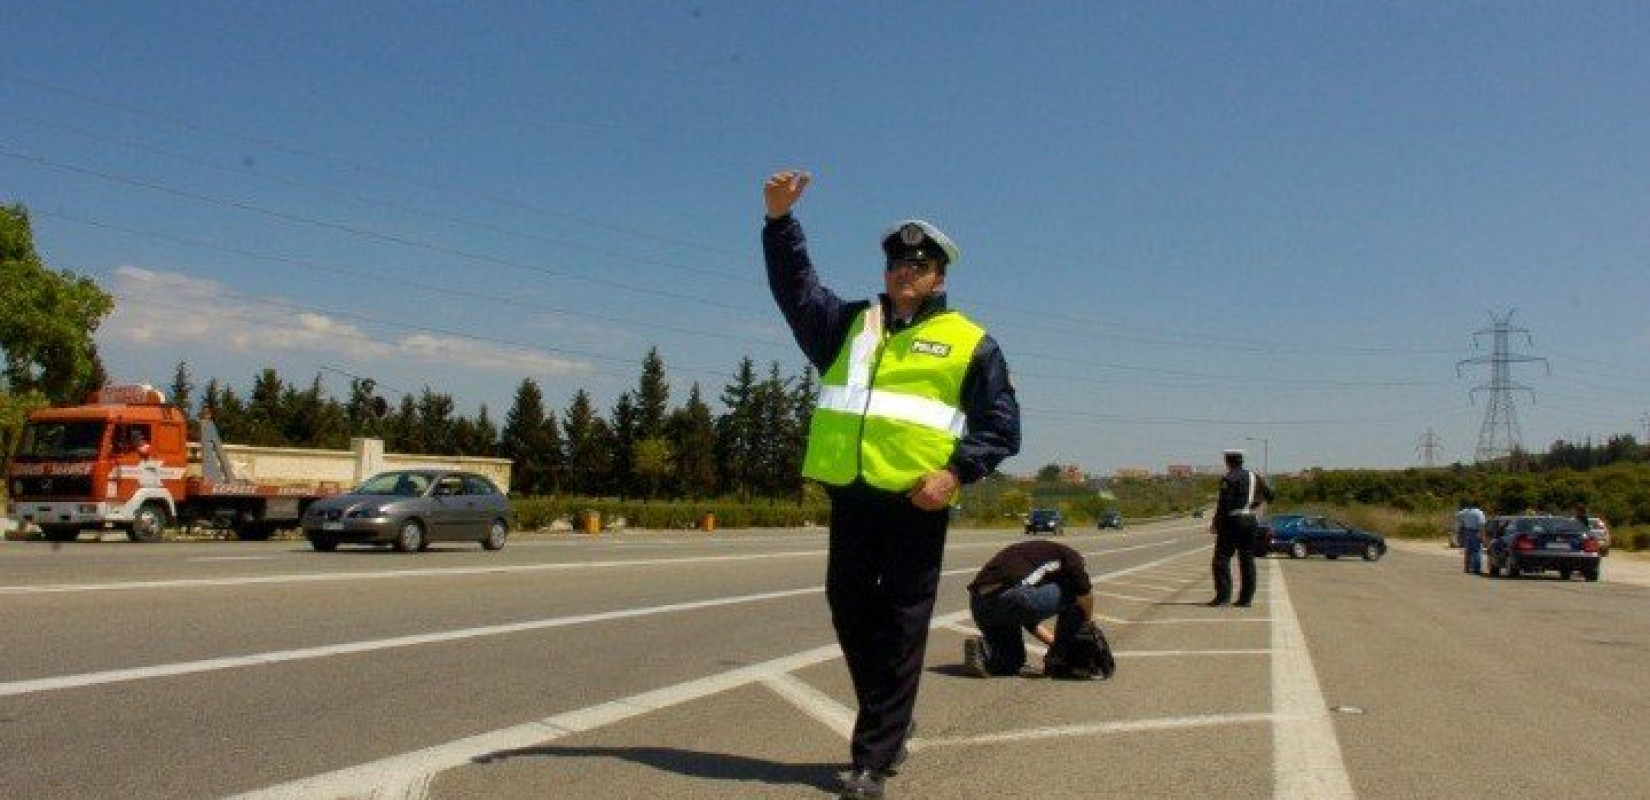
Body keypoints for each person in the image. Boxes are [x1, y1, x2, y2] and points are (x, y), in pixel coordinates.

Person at [762, 170, 1020, 800]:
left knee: (903, 625)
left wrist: (956, 473)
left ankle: (874, 759)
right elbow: (796, 291)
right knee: (849, 609)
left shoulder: (970, 343)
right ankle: (893, 721)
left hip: (916, 502)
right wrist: (779, 223)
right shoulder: (850, 325)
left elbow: (1002, 426)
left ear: (940, 276)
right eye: (898, 261)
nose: (906, 270)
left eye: (920, 262)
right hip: (851, 494)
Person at [963, 539, 1096, 678]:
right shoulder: (1071, 558)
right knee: (1075, 593)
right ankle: (1062, 658)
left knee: (1012, 662)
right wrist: (1087, 624)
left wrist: (1054, 643)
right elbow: (1085, 595)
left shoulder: (1033, 557)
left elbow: (1028, 619)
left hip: (979, 605)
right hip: (1010, 597)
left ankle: (983, 653)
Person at [1208, 449, 1273, 607]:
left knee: (1221, 559)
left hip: (1233, 520)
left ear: (1227, 461)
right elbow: (1270, 496)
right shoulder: (1254, 476)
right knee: (1247, 559)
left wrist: (1216, 523)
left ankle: (1223, 597)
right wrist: (1255, 504)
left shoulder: (1228, 478)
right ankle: (1246, 599)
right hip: (1250, 520)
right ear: (1241, 460)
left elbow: (1224, 504)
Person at [1457, 499, 1488, 574]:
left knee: (1468, 551)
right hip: (1475, 532)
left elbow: (1458, 516)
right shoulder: (1479, 512)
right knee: (1476, 551)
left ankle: (1467, 568)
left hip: (1467, 531)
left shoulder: (1465, 511)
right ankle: (1476, 569)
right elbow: (1482, 524)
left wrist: (1462, 528)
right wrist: (1483, 536)